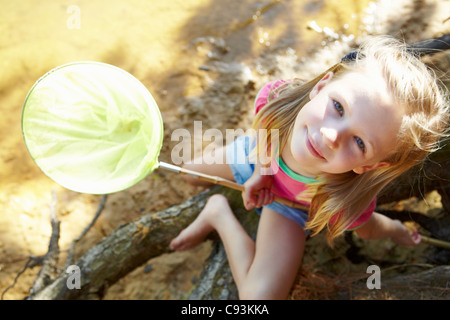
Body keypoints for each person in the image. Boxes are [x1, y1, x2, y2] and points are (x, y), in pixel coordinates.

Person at [169, 36, 449, 300]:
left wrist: (398, 231)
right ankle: (217, 196)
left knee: (257, 299)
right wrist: (262, 172)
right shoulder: (280, 98)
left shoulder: (342, 199)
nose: (331, 135)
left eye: (360, 143)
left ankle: (218, 214)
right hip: (253, 156)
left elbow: (369, 226)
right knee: (189, 174)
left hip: (287, 207)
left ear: (370, 166)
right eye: (338, 107)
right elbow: (267, 121)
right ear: (321, 86)